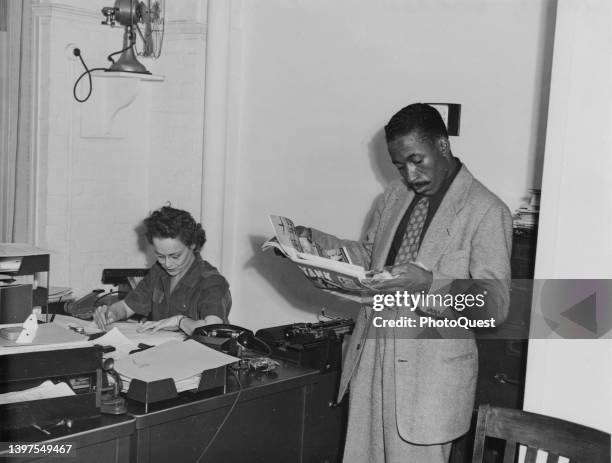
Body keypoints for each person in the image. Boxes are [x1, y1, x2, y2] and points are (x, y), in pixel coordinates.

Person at [300, 103, 512, 462]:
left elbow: (495, 306)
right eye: (400, 165)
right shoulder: (394, 197)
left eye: (417, 160)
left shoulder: (486, 210)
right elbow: (371, 257)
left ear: (442, 145)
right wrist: (312, 246)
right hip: (371, 358)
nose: (410, 175)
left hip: (428, 382)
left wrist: (429, 284)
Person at [93, 206, 231, 334]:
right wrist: (110, 314)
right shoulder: (159, 271)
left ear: (193, 245)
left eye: (175, 256)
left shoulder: (212, 282)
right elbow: (126, 307)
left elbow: (212, 331)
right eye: (160, 256)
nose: (167, 264)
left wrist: (180, 321)